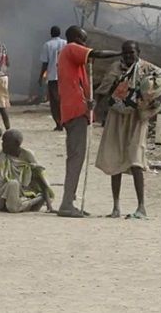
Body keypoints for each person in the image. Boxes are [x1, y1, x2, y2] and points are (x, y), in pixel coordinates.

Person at [95, 41, 161, 219]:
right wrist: (96, 108)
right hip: (116, 117)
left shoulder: (147, 68)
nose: (128, 56)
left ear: (138, 53)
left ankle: (141, 207)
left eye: (131, 53)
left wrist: (156, 99)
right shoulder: (115, 68)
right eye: (125, 53)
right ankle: (116, 207)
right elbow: (104, 90)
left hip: (137, 118)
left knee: (136, 159)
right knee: (114, 158)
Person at [56, 26, 120, 218]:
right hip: (75, 112)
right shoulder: (71, 49)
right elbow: (97, 54)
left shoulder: (76, 62)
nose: (86, 44)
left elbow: (78, 85)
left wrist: (88, 101)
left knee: (77, 157)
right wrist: (119, 52)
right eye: (84, 40)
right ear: (76, 38)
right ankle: (67, 203)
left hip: (79, 111)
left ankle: (70, 200)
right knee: (76, 158)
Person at [0, 129, 54, 213]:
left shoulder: (28, 156)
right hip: (2, 197)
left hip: (23, 194)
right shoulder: (2, 156)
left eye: (6, 142)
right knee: (13, 184)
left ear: (16, 144)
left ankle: (20, 204)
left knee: (14, 187)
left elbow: (40, 179)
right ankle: (22, 205)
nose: (3, 145)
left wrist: (49, 207)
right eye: (2, 141)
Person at [39, 26, 67, 131]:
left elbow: (45, 63)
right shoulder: (66, 43)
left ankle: (58, 123)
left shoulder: (47, 45)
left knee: (55, 102)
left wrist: (41, 76)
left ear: (51, 33)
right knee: (63, 99)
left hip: (52, 76)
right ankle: (64, 121)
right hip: (64, 76)